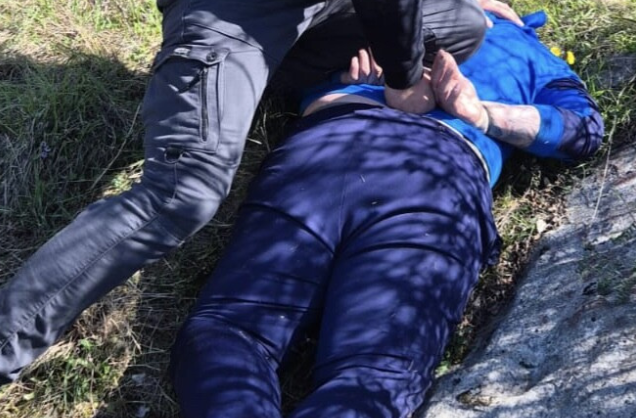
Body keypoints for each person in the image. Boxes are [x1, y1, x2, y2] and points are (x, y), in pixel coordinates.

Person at [0, 0, 526, 398]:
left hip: (319, 10)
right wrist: (404, 79)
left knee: (463, 24)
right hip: (233, 11)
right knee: (183, 192)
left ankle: (274, 76)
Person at [170, 9, 604, 418]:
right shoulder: (369, 12)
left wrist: (479, 112)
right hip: (422, 172)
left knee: (232, 330)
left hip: (342, 151)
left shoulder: (530, 51)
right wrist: (335, 73)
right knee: (377, 374)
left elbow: (583, 131)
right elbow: (580, 130)